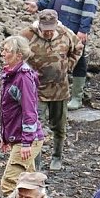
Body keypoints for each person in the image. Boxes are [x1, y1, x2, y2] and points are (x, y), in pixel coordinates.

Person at [24, 0, 100, 110]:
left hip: (73, 27)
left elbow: (90, 7)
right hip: (56, 24)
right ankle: (49, 93)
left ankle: (77, 97)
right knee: (51, 56)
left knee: (77, 58)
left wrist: (83, 30)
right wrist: (38, 4)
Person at [19, 10, 83, 171]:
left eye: (51, 28)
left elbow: (78, 47)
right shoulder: (26, 35)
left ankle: (57, 156)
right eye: (45, 28)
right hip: (36, 90)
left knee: (59, 126)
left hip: (60, 89)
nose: (48, 32)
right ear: (39, 25)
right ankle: (35, 161)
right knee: (33, 126)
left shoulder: (65, 33)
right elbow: (15, 54)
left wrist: (68, 66)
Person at [0, 35, 45, 196]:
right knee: (31, 183)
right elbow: (8, 111)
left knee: (10, 184)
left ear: (19, 55)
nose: (3, 54)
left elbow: (29, 112)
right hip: (19, 137)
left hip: (27, 139)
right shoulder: (11, 74)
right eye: (3, 50)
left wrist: (26, 143)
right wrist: (5, 137)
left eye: (7, 51)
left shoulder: (23, 78)